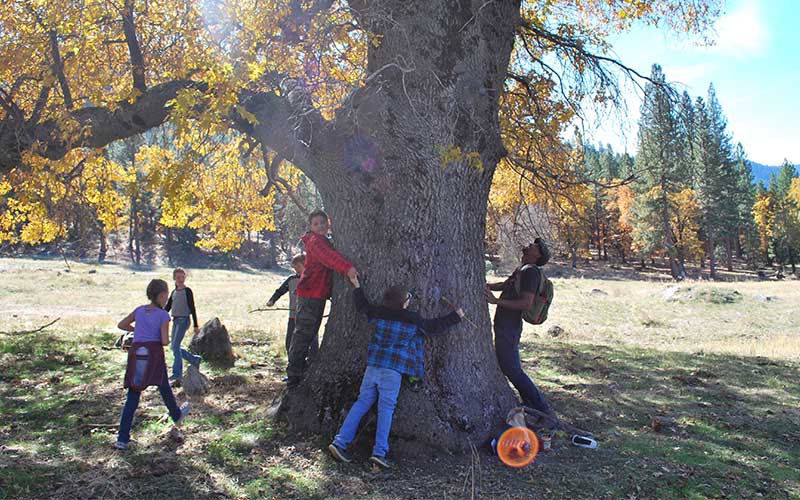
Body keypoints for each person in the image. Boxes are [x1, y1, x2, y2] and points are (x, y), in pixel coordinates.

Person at [328, 275, 464, 468]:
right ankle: (379, 452)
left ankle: (340, 442)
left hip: (373, 366)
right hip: (392, 372)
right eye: (408, 298)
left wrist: (357, 286)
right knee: (386, 410)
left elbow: (363, 306)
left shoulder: (378, 313)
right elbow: (433, 327)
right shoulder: (413, 319)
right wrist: (455, 317)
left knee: (361, 403)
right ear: (404, 303)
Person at [115, 279, 190, 450]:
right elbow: (164, 341)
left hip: (136, 352)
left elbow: (122, 324)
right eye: (166, 295)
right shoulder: (163, 315)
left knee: (134, 393)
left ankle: (122, 438)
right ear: (162, 295)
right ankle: (176, 414)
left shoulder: (139, 310)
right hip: (153, 353)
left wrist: (139, 330)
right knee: (163, 386)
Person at [287, 209, 358, 388]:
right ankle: (294, 375)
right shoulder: (315, 241)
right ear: (310, 227)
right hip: (310, 294)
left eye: (323, 223)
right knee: (304, 334)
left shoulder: (323, 240)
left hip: (315, 294)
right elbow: (328, 258)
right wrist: (347, 268)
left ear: (329, 224)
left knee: (308, 334)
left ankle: (301, 369)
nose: (320, 226)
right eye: (316, 224)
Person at [484, 237, 553, 417]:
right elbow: (506, 285)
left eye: (534, 246)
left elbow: (526, 303)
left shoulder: (530, 272)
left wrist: (496, 301)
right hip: (505, 323)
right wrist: (486, 286)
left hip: (510, 325)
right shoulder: (522, 269)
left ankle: (540, 407)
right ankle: (531, 403)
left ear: (537, 255)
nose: (529, 245)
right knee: (509, 366)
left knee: (512, 369)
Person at [266, 254, 308, 375]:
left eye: (298, 267)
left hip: (308, 318)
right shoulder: (291, 280)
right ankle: (293, 369)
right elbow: (280, 290)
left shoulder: (312, 279)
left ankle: (308, 367)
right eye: (294, 268)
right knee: (290, 342)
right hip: (293, 317)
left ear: (305, 264)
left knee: (309, 343)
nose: (296, 270)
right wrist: (272, 300)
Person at [165, 267, 202, 387]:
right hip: (175, 320)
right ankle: (194, 359)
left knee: (175, 346)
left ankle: (177, 374)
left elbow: (192, 308)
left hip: (184, 320)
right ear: (174, 278)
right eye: (178, 277)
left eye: (182, 277)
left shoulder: (187, 291)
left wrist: (196, 325)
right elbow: (167, 307)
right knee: (173, 347)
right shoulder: (174, 292)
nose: (180, 279)